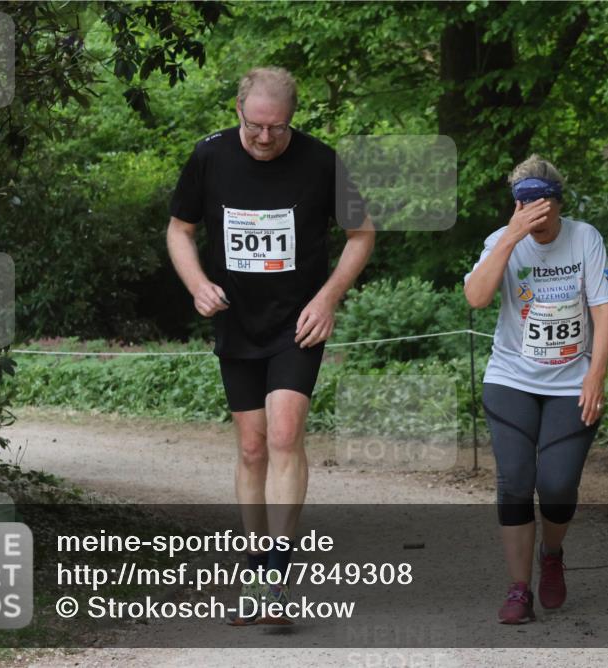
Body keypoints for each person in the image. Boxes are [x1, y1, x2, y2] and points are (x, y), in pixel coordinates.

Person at [166, 67, 374, 625]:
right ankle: (255, 565)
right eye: (255, 125)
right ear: (238, 111)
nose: (264, 137)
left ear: (292, 119)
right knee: (253, 448)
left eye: (277, 128)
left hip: (297, 323)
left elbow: (362, 234)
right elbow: (179, 230)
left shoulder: (321, 161)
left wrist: (327, 299)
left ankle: (276, 579)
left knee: (284, 435)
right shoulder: (209, 156)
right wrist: (197, 284)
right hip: (235, 320)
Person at [463, 155, 608, 624]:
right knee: (514, 482)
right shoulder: (501, 241)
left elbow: (604, 308)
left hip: (571, 380)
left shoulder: (584, 238)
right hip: (511, 377)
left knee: (556, 485)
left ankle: (552, 554)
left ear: (558, 202)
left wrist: (596, 374)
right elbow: (476, 298)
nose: (536, 213)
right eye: (525, 203)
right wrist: (510, 238)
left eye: (543, 203)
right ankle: (518, 589)